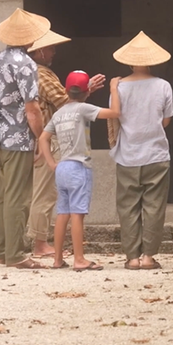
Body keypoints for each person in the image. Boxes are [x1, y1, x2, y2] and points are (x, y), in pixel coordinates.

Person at [26, 29, 106, 257]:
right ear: (40, 52)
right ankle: (40, 243)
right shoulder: (41, 74)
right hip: (50, 141)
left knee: (54, 198)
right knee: (45, 194)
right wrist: (86, 89)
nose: (53, 52)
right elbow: (65, 102)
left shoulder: (32, 72)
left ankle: (47, 245)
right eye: (50, 48)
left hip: (46, 140)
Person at [38, 70, 120, 272]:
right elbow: (115, 113)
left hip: (62, 167)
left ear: (66, 90)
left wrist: (51, 163)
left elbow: (43, 138)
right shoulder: (83, 109)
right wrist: (113, 89)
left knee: (62, 213)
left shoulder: (59, 113)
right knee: (77, 214)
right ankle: (79, 259)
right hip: (79, 167)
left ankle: (58, 259)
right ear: (87, 92)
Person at [0, 8, 52, 269]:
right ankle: (15, 255)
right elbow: (32, 109)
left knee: (5, 196)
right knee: (19, 198)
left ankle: (1, 251)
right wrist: (41, 137)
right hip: (19, 138)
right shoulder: (26, 64)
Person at [108, 32, 173, 271]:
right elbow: (166, 120)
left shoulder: (119, 87)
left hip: (128, 154)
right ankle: (148, 256)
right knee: (154, 207)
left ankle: (132, 258)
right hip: (156, 153)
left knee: (127, 207)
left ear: (129, 62)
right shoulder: (163, 86)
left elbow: (114, 116)